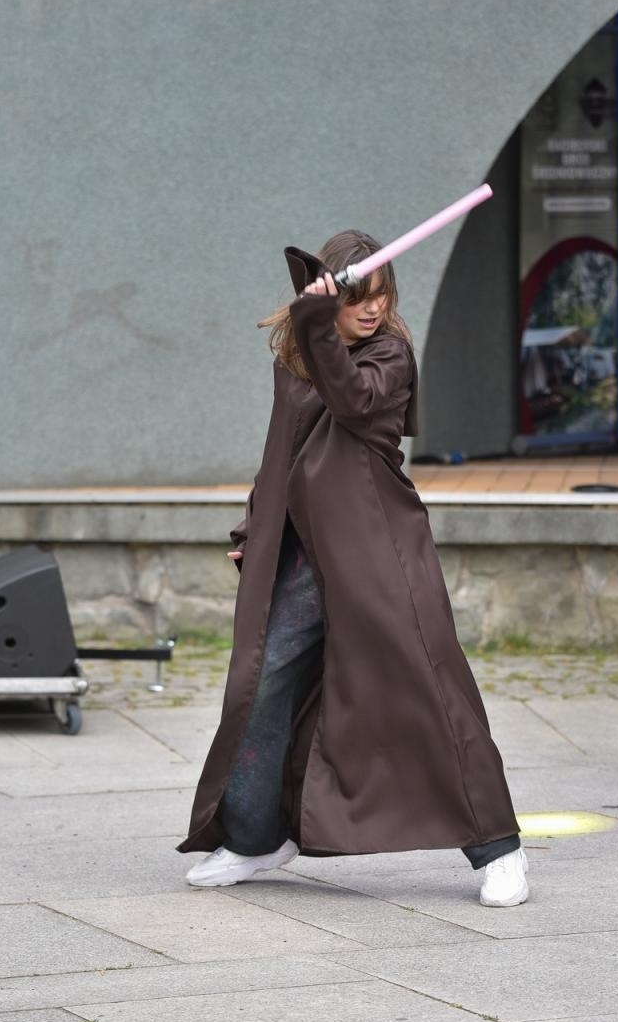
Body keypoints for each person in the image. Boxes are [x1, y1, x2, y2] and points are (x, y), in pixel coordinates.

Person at [178, 231, 529, 906]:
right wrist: (252, 530)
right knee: (265, 682)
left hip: (379, 546)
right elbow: (279, 453)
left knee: (427, 686)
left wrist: (319, 324)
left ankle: (498, 846)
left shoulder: (388, 353)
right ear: (331, 298)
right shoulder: (298, 361)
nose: (372, 310)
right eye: (357, 297)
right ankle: (255, 837)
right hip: (305, 550)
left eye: (382, 295)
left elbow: (355, 403)